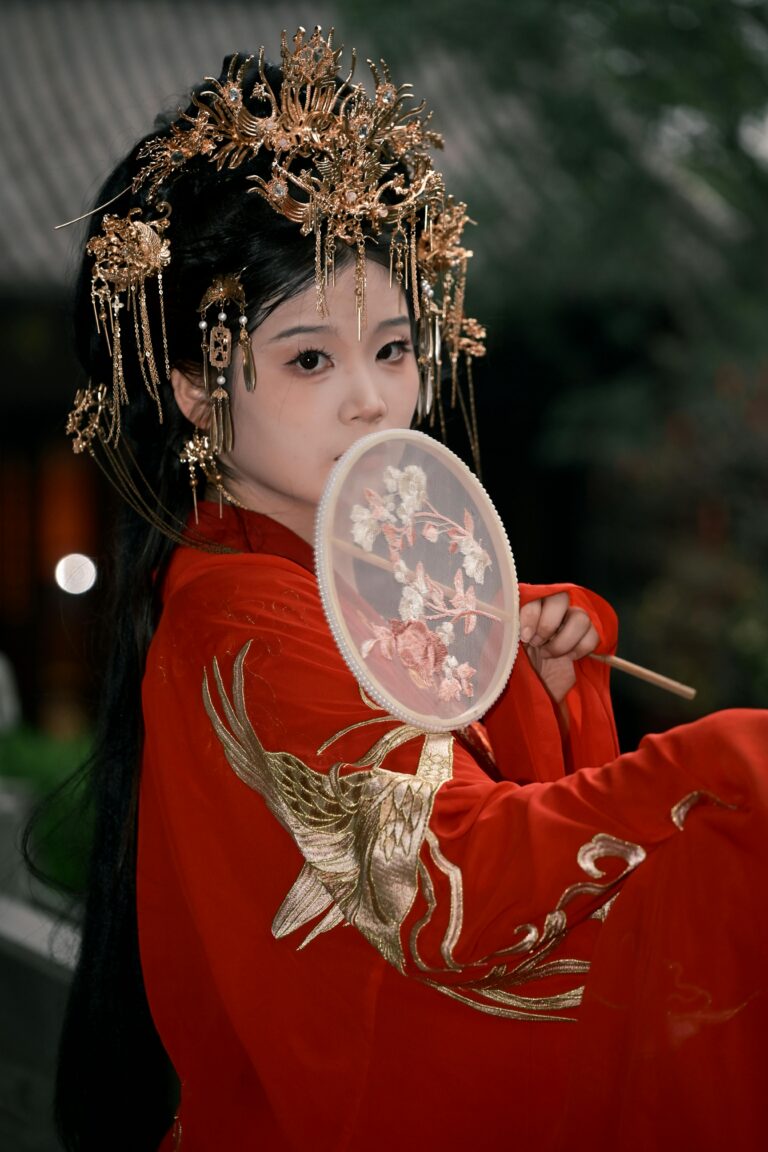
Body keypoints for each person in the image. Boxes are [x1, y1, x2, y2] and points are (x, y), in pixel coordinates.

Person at [49, 27, 767, 1152]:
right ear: (193, 386)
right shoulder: (242, 617)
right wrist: (714, 767)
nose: (372, 402)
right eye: (307, 360)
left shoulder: (357, 570)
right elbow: (442, 878)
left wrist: (528, 681)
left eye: (393, 347)